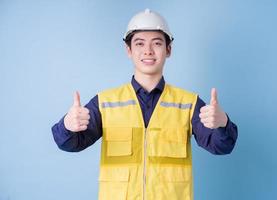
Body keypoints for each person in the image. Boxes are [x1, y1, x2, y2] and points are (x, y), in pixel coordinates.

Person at [52, 8, 238, 200]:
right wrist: (67, 125)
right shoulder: (105, 103)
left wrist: (222, 122)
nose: (148, 50)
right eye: (139, 43)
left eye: (156, 43)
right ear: (129, 50)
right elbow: (69, 144)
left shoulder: (188, 104)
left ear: (169, 49)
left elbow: (221, 147)